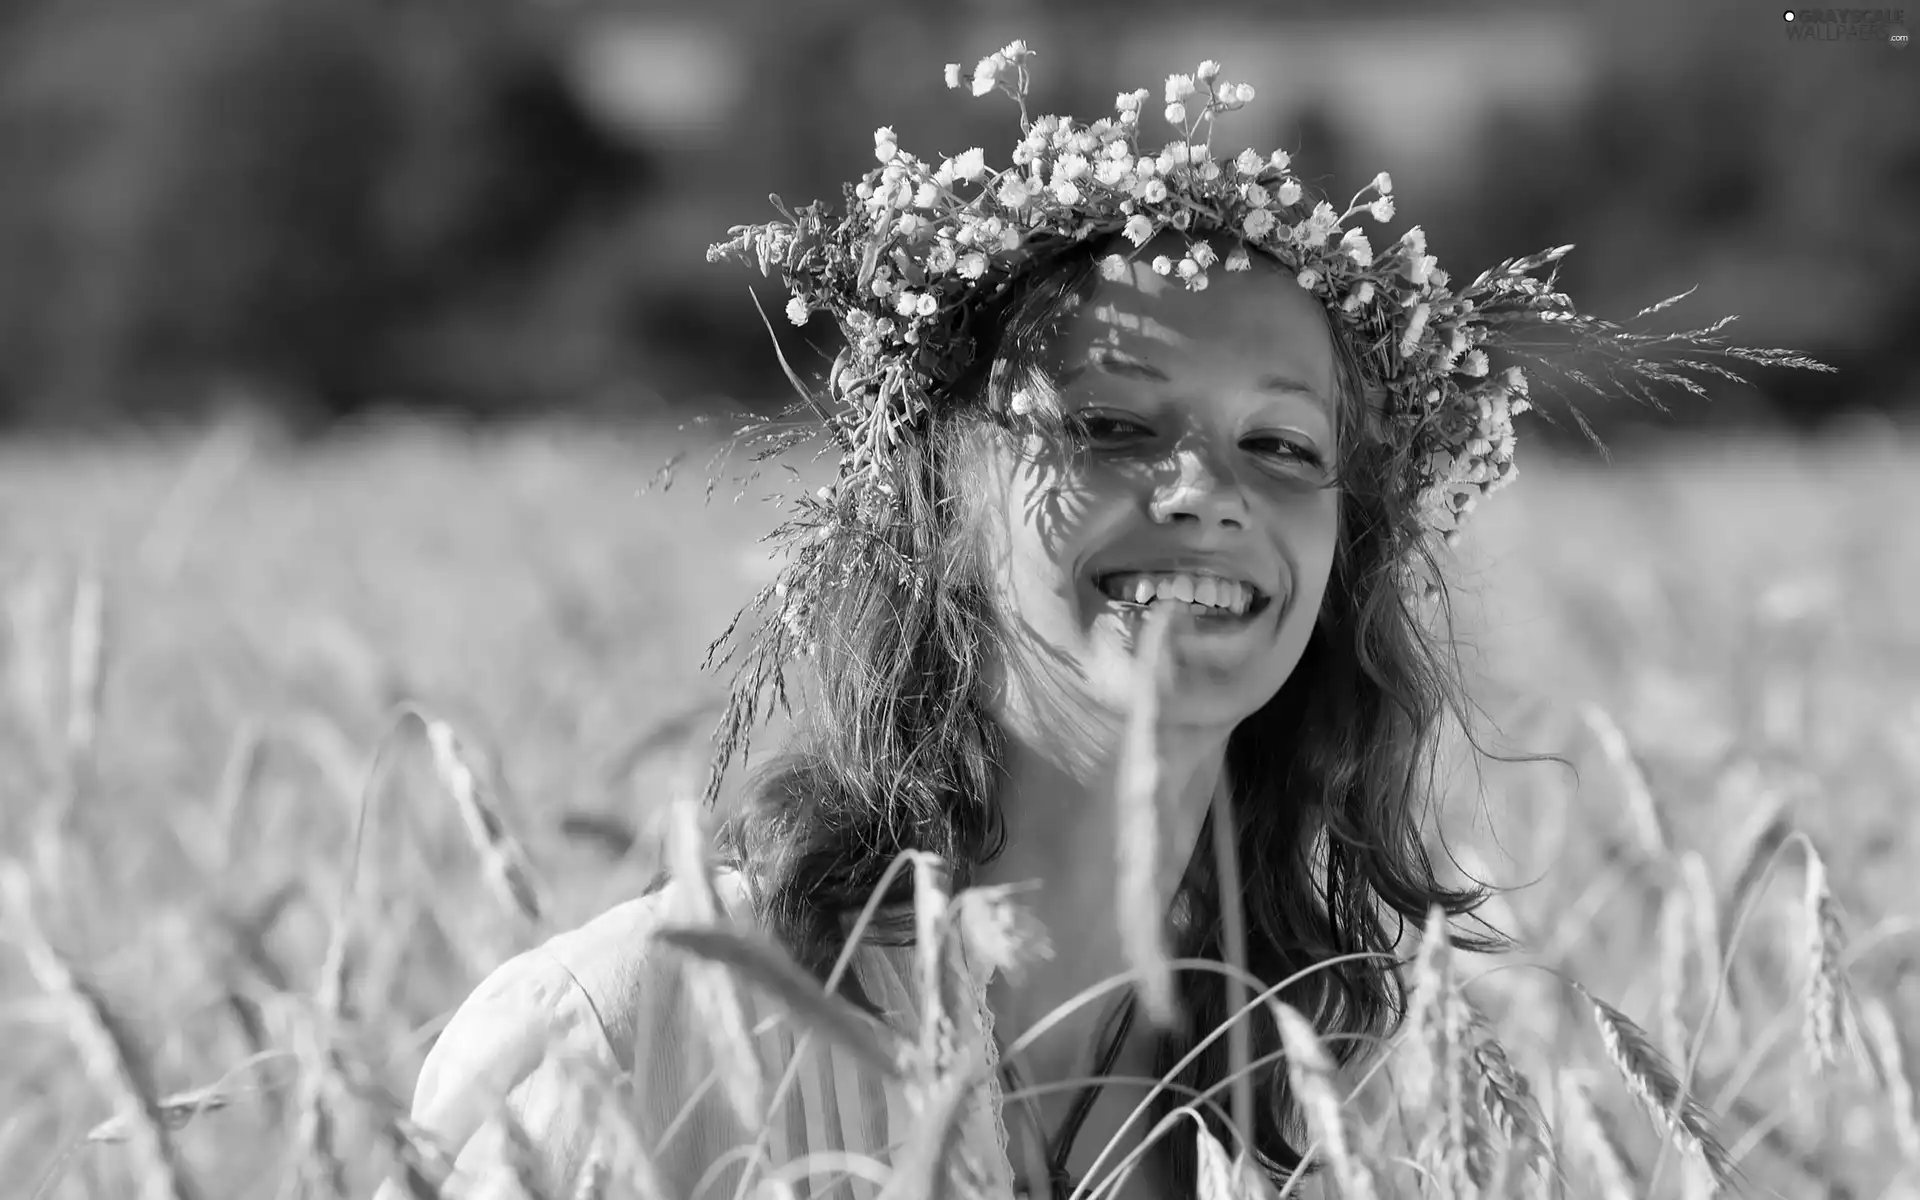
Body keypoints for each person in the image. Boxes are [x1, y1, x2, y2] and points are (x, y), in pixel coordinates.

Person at [386, 41, 1825, 1200]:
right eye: (1114, 424)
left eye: (1281, 447)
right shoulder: (637, 1036)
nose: (1205, 495)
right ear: (937, 508)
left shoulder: (1385, 1098)